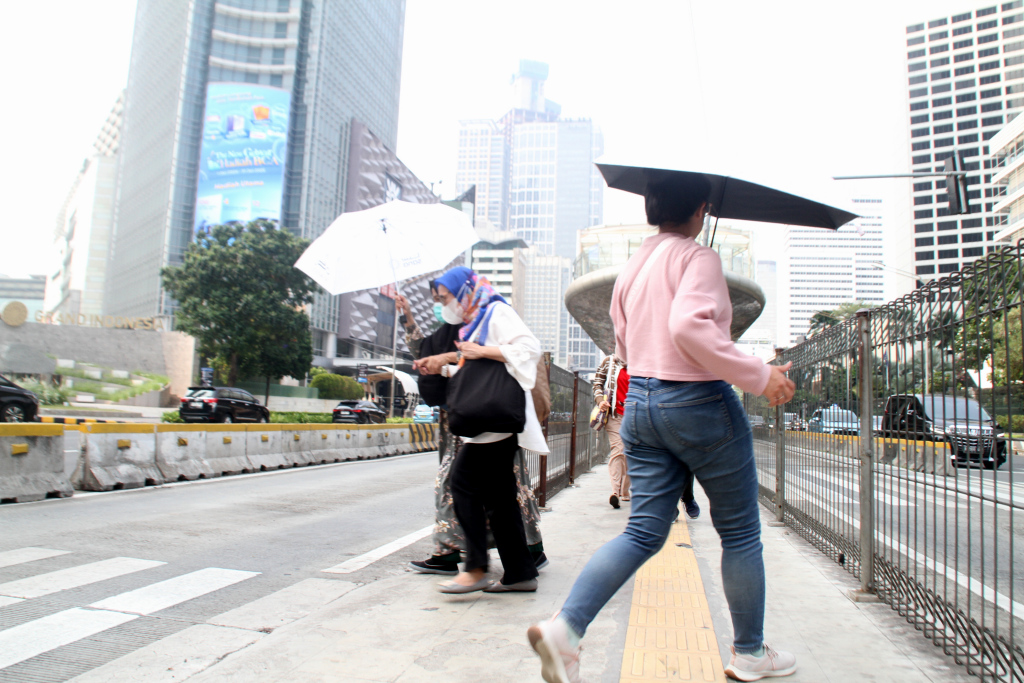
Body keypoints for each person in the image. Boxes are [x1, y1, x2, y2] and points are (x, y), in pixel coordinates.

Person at [527, 171, 797, 682]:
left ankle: (566, 629)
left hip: (642, 404)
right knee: (739, 532)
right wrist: (760, 376)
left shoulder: (632, 266)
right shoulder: (700, 258)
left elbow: (622, 343)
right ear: (700, 208)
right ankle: (749, 653)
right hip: (697, 400)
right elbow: (688, 326)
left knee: (643, 531)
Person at [394, 289, 547, 576]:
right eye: (438, 300)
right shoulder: (453, 329)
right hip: (462, 414)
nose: (441, 306)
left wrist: (451, 358)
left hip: (488, 414)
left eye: (444, 298)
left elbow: (485, 360)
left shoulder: (484, 320)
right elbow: (423, 350)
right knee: (498, 489)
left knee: (469, 484)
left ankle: (479, 559)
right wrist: (407, 316)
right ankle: (516, 560)